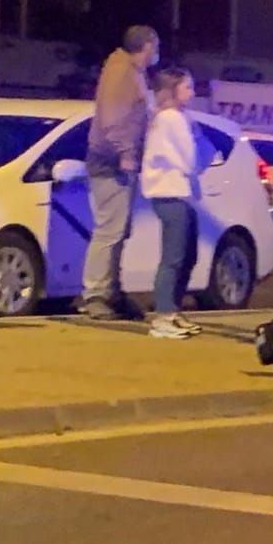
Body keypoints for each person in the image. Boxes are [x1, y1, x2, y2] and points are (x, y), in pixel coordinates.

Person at [82, 25, 160, 319]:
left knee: (117, 231)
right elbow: (113, 118)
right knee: (109, 232)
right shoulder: (122, 73)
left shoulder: (130, 72)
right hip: (110, 162)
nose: (157, 52)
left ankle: (111, 292)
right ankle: (95, 295)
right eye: (156, 46)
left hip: (115, 161)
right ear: (147, 46)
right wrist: (125, 152)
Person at [140, 67, 207, 340]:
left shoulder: (169, 118)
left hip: (178, 194)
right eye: (187, 87)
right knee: (174, 257)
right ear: (172, 90)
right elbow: (190, 160)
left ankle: (172, 311)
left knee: (187, 255)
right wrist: (199, 142)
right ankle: (163, 316)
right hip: (171, 193)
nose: (192, 93)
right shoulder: (172, 119)